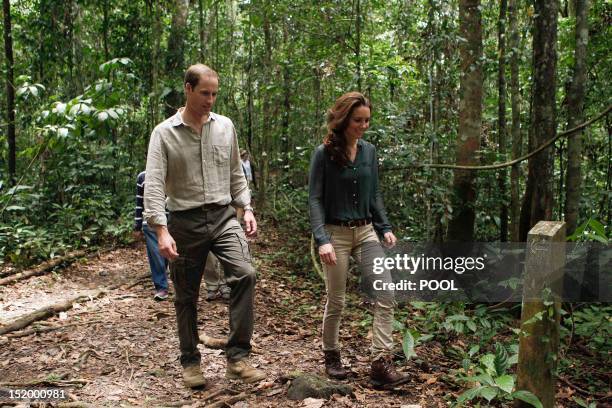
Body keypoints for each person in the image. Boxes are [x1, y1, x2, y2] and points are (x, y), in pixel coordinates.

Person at [143, 64, 264, 388]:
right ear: (188, 89)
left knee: (245, 274)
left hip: (224, 217)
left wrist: (247, 207)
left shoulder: (225, 127)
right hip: (184, 221)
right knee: (186, 294)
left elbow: (236, 174)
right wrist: (161, 230)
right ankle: (190, 363)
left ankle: (237, 358)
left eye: (214, 94)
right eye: (204, 93)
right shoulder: (164, 133)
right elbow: (154, 184)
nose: (210, 99)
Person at [308, 92, 409, 387]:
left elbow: (374, 193)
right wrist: (322, 238)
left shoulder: (370, 151)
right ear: (342, 120)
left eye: (367, 120)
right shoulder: (323, 154)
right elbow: (314, 199)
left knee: (386, 293)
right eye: (357, 120)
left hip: (366, 232)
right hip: (335, 233)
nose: (363, 126)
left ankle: (380, 364)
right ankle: (331, 355)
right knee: (337, 300)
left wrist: (384, 226)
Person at [133, 171, 169, 301]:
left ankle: (174, 282)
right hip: (150, 220)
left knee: (169, 254)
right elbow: (139, 202)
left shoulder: (171, 172)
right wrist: (137, 225)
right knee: (156, 254)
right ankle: (161, 287)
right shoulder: (142, 177)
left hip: (171, 218)